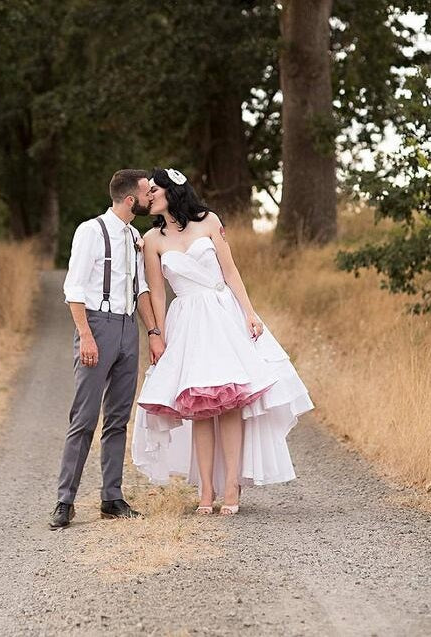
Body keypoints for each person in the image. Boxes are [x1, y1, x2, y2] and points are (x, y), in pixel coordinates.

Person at [132, 168, 314, 515]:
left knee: (230, 401)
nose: (149, 196)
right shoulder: (152, 240)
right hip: (185, 320)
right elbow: (157, 294)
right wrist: (157, 336)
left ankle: (231, 485)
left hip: (221, 314)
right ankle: (206, 491)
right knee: (198, 405)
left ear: (173, 191)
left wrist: (249, 313)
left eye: (154, 190)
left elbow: (230, 272)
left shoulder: (209, 221)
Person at [49, 169, 164, 529]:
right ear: (131, 199)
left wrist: (153, 332)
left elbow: (142, 289)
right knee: (83, 418)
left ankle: (111, 498)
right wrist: (85, 335)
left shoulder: (134, 236)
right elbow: (74, 288)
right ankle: (64, 501)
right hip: (97, 326)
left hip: (128, 328)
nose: (151, 197)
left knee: (118, 418)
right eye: (147, 193)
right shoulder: (91, 231)